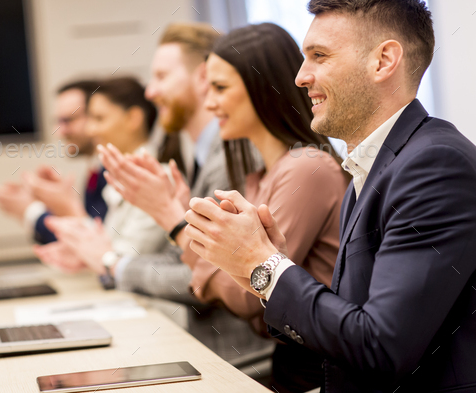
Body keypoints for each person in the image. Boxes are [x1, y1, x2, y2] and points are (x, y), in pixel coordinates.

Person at [184, 1, 476, 392]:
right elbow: (351, 325)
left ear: (383, 61)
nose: (301, 78)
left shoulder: (435, 165)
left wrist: (265, 266)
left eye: (319, 56)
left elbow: (381, 346)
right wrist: (264, 269)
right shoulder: (374, 164)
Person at [58, 23, 274, 365]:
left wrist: (114, 261)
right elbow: (186, 261)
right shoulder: (197, 155)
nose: (150, 91)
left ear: (202, 77)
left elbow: (210, 277)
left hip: (236, 361)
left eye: (161, 76)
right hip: (205, 349)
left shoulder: (234, 154)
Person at [178, 23, 348, 392]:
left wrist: (206, 276)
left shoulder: (307, 167)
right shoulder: (258, 177)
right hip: (291, 362)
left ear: (264, 87)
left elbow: (247, 296)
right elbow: (231, 274)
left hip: (314, 370)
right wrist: (216, 270)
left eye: (221, 88)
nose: (209, 104)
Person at [33, 77, 168, 275]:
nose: (90, 129)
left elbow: (125, 261)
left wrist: (71, 209)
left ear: (133, 119)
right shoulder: (120, 176)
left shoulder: (158, 178)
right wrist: (79, 254)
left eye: (99, 119)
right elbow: (111, 251)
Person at [0, 80, 108, 244]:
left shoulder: (110, 173)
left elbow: (99, 245)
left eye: (69, 120)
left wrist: (30, 210)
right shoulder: (96, 170)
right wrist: (54, 203)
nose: (60, 131)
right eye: (58, 121)